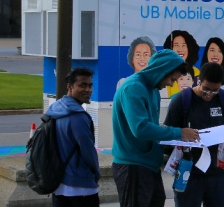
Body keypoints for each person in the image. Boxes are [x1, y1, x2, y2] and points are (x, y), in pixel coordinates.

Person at [112, 50, 200, 207]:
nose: (172, 84)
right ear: (162, 70)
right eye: (172, 79)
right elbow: (140, 128)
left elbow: (151, 126)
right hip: (133, 165)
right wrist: (179, 133)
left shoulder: (152, 89)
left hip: (149, 165)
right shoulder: (133, 88)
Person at [164, 62, 224, 206]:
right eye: (206, 89)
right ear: (198, 81)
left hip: (219, 174)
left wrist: (217, 135)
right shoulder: (181, 101)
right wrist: (183, 134)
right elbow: (168, 135)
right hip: (189, 173)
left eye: (215, 90)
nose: (209, 94)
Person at [45, 67, 101, 206]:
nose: (88, 90)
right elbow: (88, 151)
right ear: (69, 87)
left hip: (59, 185)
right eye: (82, 85)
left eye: (90, 85)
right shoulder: (78, 117)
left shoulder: (55, 109)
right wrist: (96, 173)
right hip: (81, 188)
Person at [163, 30, 201, 98]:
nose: (180, 49)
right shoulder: (165, 72)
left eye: (183, 45)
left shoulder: (196, 72)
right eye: (176, 45)